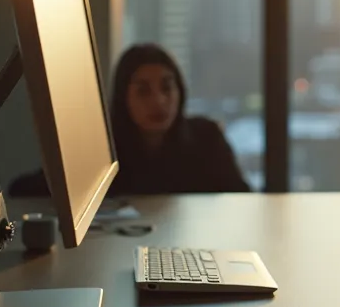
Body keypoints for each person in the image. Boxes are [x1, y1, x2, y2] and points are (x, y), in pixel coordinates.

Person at [106, 44, 250, 195]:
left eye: (167, 87)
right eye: (143, 91)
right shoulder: (106, 153)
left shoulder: (207, 138)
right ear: (123, 98)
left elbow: (241, 199)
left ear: (180, 91)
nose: (159, 101)